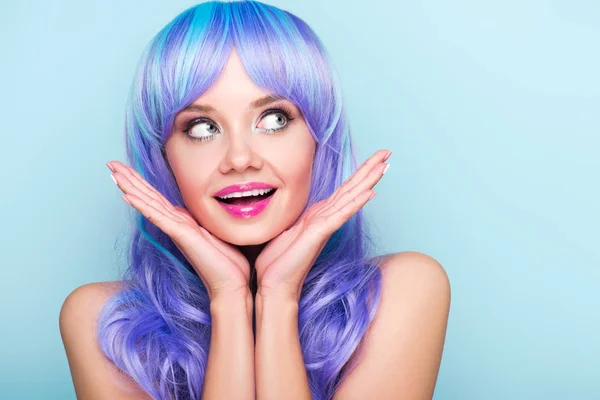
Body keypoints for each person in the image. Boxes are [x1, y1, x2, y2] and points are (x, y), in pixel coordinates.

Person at [59, 1, 451, 399]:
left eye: (274, 120)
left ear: (318, 139)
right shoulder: (104, 325)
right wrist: (228, 300)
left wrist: (279, 297)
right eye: (201, 127)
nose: (240, 159)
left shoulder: (402, 292)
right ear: (163, 156)